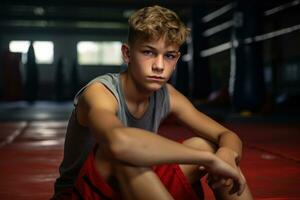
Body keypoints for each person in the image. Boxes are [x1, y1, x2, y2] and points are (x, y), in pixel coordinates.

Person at [52, 5, 253, 200]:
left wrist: (225, 156)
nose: (159, 66)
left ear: (176, 60)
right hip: (80, 194)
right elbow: (119, 143)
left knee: (206, 145)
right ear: (127, 54)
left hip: (133, 188)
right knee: (124, 155)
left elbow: (227, 135)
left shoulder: (167, 95)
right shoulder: (100, 92)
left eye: (169, 56)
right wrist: (209, 160)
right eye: (148, 52)